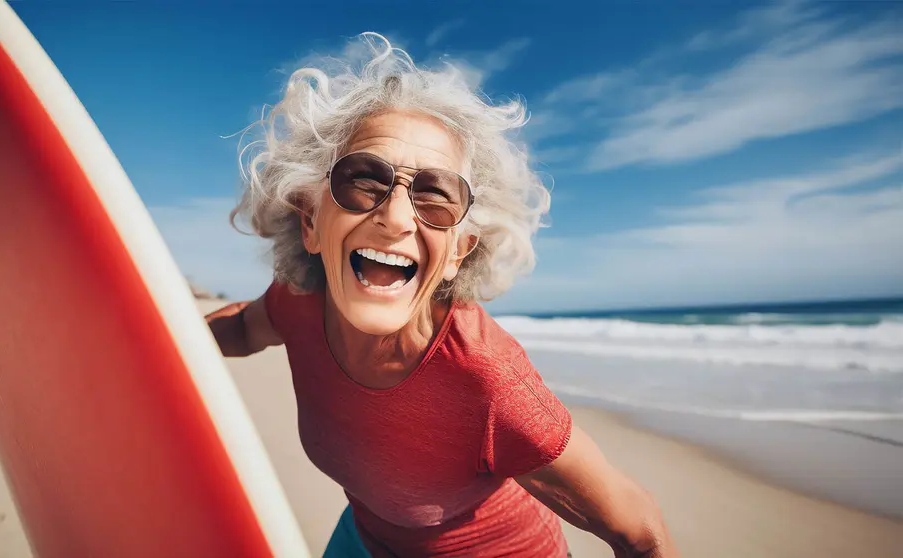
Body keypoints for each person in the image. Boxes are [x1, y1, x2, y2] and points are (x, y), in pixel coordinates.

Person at [206, 32, 677, 558]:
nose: (396, 218)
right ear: (312, 222)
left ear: (458, 252)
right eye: (363, 181)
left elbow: (639, 528)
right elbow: (241, 330)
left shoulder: (490, 384)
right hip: (362, 538)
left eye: (434, 195)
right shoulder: (297, 302)